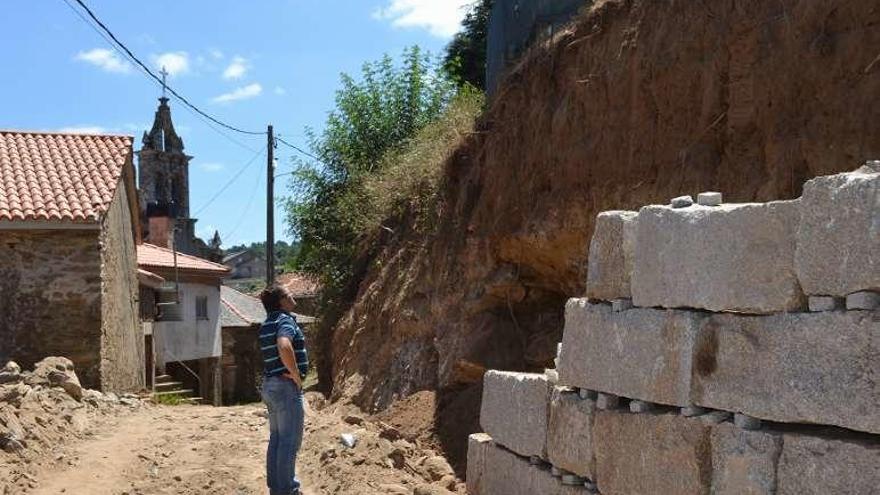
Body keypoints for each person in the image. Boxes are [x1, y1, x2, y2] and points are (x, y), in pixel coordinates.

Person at [258, 284, 309, 495]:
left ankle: (277, 489)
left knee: (278, 439)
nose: (293, 296)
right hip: (285, 387)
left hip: (270, 385)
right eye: (289, 295)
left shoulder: (267, 323)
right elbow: (284, 345)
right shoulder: (285, 320)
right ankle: (288, 490)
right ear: (281, 301)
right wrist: (296, 375)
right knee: (289, 442)